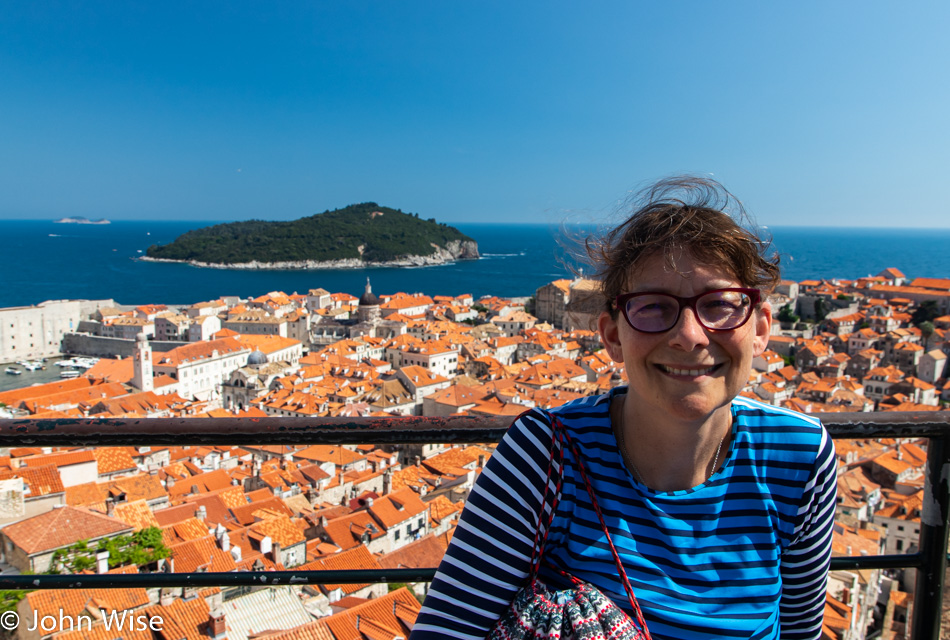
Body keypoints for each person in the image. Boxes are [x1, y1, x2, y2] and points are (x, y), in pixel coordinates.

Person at [409, 177, 837, 640]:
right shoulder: (546, 455)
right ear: (613, 335)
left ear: (760, 327)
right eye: (653, 306)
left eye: (718, 305)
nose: (690, 335)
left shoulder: (799, 457)